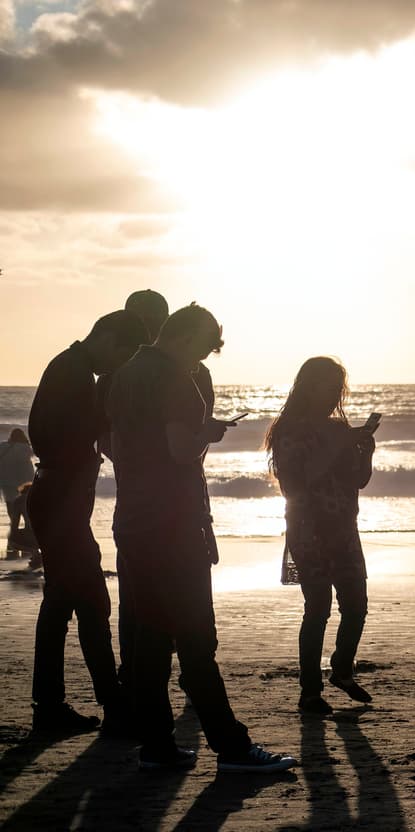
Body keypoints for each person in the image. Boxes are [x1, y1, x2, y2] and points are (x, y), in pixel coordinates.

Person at [107, 304, 296, 773]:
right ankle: (231, 747)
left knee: (151, 639)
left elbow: (110, 444)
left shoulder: (124, 374)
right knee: (195, 638)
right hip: (174, 525)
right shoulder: (176, 378)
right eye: (204, 349)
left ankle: (157, 745)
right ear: (187, 337)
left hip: (133, 519)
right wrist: (207, 432)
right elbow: (180, 450)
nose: (202, 360)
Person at [27, 310, 148, 734]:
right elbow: (65, 437)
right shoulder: (74, 373)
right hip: (60, 500)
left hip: (57, 498)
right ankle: (110, 704)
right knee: (90, 603)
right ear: (108, 338)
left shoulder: (71, 368)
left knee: (64, 602)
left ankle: (54, 706)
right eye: (122, 355)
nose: (118, 365)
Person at [265, 357, 377, 715]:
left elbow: (358, 480)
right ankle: (310, 691)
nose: (332, 396)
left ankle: (342, 669)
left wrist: (365, 453)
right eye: (326, 387)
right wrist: (339, 445)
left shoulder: (338, 428)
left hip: (343, 526)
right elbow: (298, 481)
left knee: (356, 606)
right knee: (317, 609)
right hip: (308, 527)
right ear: (308, 387)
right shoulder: (289, 430)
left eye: (337, 389)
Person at [0, 428, 36, 558]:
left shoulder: (3, 448)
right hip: (25, 486)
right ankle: (27, 547)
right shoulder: (25, 448)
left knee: (13, 518)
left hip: (7, 486)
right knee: (28, 518)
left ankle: (12, 547)